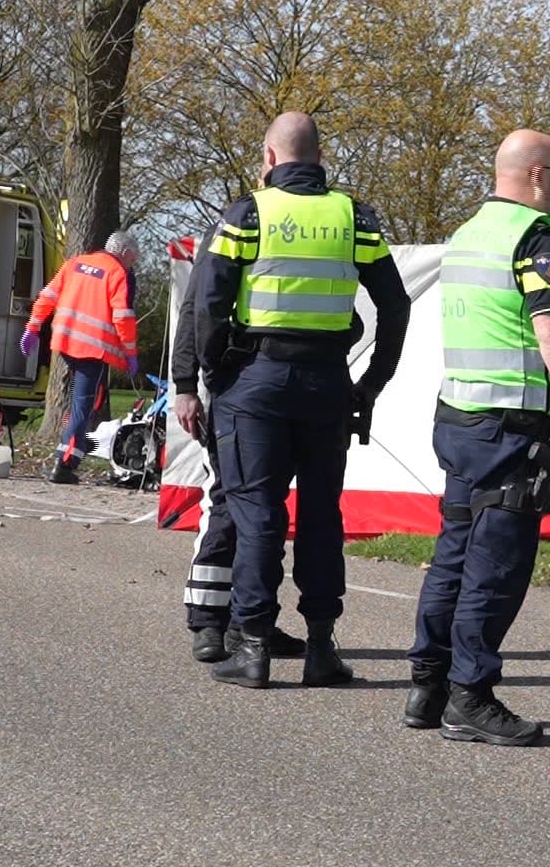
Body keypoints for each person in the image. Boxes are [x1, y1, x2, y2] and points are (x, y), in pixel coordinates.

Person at [402, 128, 550, 748]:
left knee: (454, 554)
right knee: (496, 565)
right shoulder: (536, 238)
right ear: (538, 175)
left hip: (460, 418)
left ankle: (428, 685)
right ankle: (471, 695)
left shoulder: (469, 233)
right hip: (511, 427)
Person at [195, 112, 409, 689]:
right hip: (328, 383)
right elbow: (395, 304)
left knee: (257, 514)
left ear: (269, 158)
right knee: (321, 515)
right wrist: (372, 382)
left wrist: (213, 375)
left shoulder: (248, 213)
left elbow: (207, 304)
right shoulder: (353, 217)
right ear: (320, 159)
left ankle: (254, 648)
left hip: (255, 382)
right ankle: (320, 648)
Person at [170, 223, 306, 664]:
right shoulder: (237, 226)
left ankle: (250, 623)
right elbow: (196, 308)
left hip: (282, 394)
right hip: (232, 391)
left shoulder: (308, 229)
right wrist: (186, 385)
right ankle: (208, 620)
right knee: (226, 501)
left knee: (265, 512)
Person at [22, 230, 141, 485]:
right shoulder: (117, 272)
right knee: (83, 406)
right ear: (124, 253)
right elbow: (122, 317)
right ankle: (65, 462)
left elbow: (47, 296)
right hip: (93, 349)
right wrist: (130, 353)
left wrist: (33, 326)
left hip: (65, 342)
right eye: (133, 259)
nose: (132, 264)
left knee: (78, 403)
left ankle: (68, 451)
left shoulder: (75, 263)